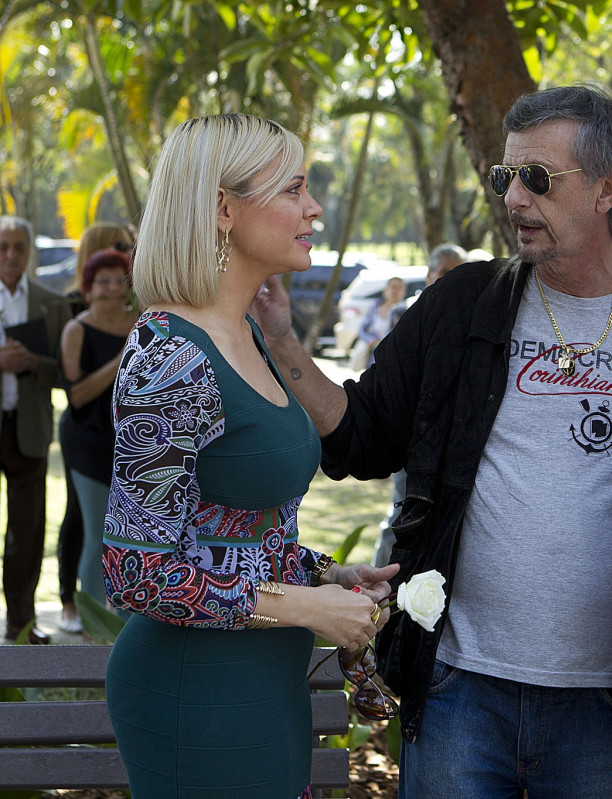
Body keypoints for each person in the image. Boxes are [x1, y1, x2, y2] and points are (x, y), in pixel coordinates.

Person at [251, 86, 612, 798]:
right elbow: (362, 435)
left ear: (607, 189)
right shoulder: (462, 304)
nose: (514, 199)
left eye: (537, 178)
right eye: (505, 177)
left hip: (608, 697)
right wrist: (280, 342)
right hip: (462, 685)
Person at [102, 113, 397, 798]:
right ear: (223, 208)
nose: (314, 207)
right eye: (293, 188)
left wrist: (328, 573)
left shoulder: (248, 334)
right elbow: (138, 573)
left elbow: (230, 531)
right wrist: (304, 607)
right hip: (194, 697)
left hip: (265, 686)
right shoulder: (171, 357)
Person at [57, 222, 136, 634]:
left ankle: (124, 623)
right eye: (101, 281)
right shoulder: (77, 330)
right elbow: (78, 395)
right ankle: (92, 623)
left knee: (126, 537)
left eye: (116, 280)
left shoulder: (142, 322)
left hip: (130, 445)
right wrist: (122, 357)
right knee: (93, 533)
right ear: (88, 287)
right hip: (86, 442)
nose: (109, 288)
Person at [372, 242, 469, 569]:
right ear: (429, 274)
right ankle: (379, 584)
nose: (448, 280)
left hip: (450, 438)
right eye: (443, 272)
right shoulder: (406, 314)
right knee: (402, 513)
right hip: (411, 436)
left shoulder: (470, 320)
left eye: (456, 274)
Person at [0, 215, 72, 644]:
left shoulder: (51, 302)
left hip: (28, 431)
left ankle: (21, 623)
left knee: (27, 530)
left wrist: (33, 364)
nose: (10, 255)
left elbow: (67, 370)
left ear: (29, 253)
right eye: (3, 246)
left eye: (18, 248)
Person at [350, 276, 406, 371]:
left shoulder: (403, 311)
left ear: (403, 292)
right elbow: (362, 330)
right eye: (393, 287)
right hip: (373, 356)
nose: (395, 291)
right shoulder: (374, 308)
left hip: (392, 358)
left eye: (399, 288)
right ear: (386, 290)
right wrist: (371, 339)